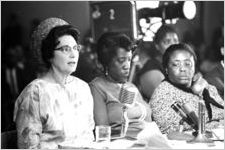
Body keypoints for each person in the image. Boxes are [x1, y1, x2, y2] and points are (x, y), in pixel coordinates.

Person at [13, 18, 95, 149]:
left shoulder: (83, 88)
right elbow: (28, 147)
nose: (73, 54)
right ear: (49, 54)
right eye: (65, 49)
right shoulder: (35, 92)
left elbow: (89, 137)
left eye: (75, 48)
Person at [149, 43, 224, 134]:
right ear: (166, 69)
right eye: (176, 64)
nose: (183, 69)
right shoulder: (162, 94)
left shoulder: (205, 87)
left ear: (194, 66)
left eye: (187, 64)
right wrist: (215, 123)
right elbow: (170, 129)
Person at [89, 32, 152, 138]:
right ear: (107, 62)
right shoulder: (97, 87)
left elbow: (148, 120)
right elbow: (102, 132)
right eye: (121, 60)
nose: (127, 66)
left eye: (129, 59)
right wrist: (129, 132)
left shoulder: (130, 87)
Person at [135, 24, 179, 102]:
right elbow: (168, 100)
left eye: (175, 41)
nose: (173, 45)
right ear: (157, 46)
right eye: (167, 42)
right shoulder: (152, 68)